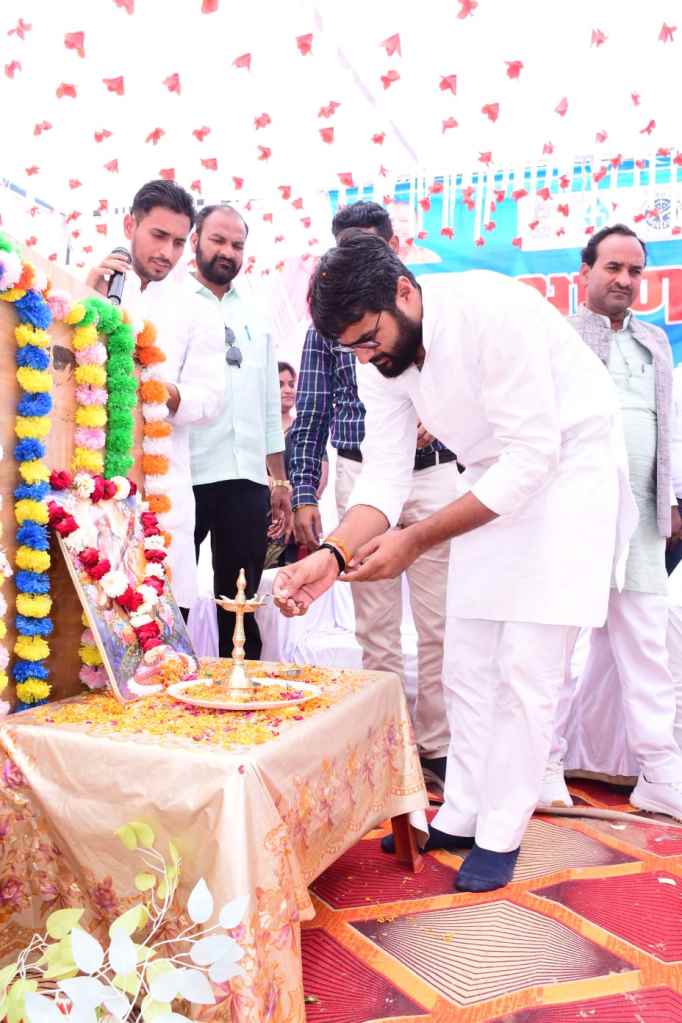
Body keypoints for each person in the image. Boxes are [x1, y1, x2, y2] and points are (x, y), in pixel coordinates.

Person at [273, 230, 634, 893]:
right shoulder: (377, 358)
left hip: (568, 472)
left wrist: (416, 539)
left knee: (525, 666)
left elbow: (535, 456)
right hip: (490, 478)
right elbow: (384, 476)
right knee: (467, 659)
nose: (365, 355)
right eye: (352, 347)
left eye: (368, 337)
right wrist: (332, 554)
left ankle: (502, 828)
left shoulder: (490, 311)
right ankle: (462, 810)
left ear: (404, 291)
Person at [288, 200, 461, 795]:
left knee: (442, 623)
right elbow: (311, 411)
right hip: (365, 477)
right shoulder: (330, 328)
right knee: (376, 627)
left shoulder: (434, 316)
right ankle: (393, 748)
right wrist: (304, 490)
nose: (364, 351)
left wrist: (443, 416)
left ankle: (440, 749)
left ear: (394, 256)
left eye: (368, 249)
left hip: (437, 476)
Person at [541, 224, 682, 819]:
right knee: (554, 648)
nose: (625, 280)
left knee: (647, 649)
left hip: (643, 520)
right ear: (585, 272)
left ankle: (659, 773)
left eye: (635, 271)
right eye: (613, 268)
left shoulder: (655, 341)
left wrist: (671, 499)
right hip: (575, 515)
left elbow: (666, 425)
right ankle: (543, 765)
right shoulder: (557, 336)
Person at [85, 179, 224, 616]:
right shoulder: (97, 284)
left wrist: (155, 388)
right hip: (88, 480)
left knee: (161, 622)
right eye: (158, 235)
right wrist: (86, 297)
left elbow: (209, 400)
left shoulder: (199, 309)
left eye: (179, 242)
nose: (167, 252)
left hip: (160, 490)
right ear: (131, 225)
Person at [189, 204, 292, 659]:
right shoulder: (174, 304)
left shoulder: (256, 316)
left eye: (237, 245)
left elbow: (269, 402)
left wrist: (279, 481)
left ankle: (242, 682)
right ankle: (162, 677)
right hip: (186, 471)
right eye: (218, 240)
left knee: (241, 597)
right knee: (170, 588)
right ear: (195, 240)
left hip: (246, 477)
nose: (228, 252)